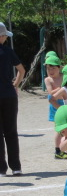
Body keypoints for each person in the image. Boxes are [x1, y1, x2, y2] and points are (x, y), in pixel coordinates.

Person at [0, 22, 25, 176]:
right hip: (9, 95)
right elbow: (21, 70)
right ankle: (16, 167)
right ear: (1, 36)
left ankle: (1, 169)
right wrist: (15, 84)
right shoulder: (8, 51)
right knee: (11, 131)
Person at [43, 53, 67, 160]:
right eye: (48, 68)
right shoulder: (48, 80)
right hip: (55, 106)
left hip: (66, 104)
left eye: (53, 68)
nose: (50, 71)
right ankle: (58, 150)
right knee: (60, 129)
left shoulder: (64, 77)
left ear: (59, 68)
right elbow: (51, 93)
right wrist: (62, 87)